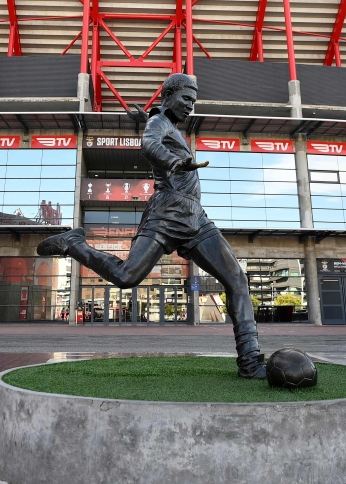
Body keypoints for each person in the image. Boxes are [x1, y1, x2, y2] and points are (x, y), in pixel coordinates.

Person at [37, 73, 267, 378]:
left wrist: (149, 116)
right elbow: (149, 144)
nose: (190, 107)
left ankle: (250, 361)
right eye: (186, 99)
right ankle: (74, 244)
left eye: (193, 102)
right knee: (126, 276)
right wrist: (172, 160)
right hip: (168, 211)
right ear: (168, 95)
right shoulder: (158, 125)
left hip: (195, 218)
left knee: (237, 279)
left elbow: (158, 124)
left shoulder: (163, 121)